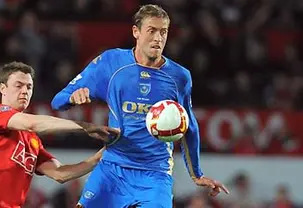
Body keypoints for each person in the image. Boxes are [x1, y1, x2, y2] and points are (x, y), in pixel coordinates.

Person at [51, 4, 229, 208]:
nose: (158, 38)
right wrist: (72, 98)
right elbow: (58, 101)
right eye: (151, 31)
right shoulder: (111, 62)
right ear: (136, 32)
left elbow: (190, 126)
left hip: (155, 175)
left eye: (163, 32)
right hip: (112, 169)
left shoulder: (179, 77)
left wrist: (196, 174)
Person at [0, 61, 119, 208]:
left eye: (29, 86)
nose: (25, 91)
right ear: (3, 89)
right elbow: (34, 123)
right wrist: (85, 127)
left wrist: (101, 156)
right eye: (18, 85)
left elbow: (60, 174)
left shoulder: (31, 140)